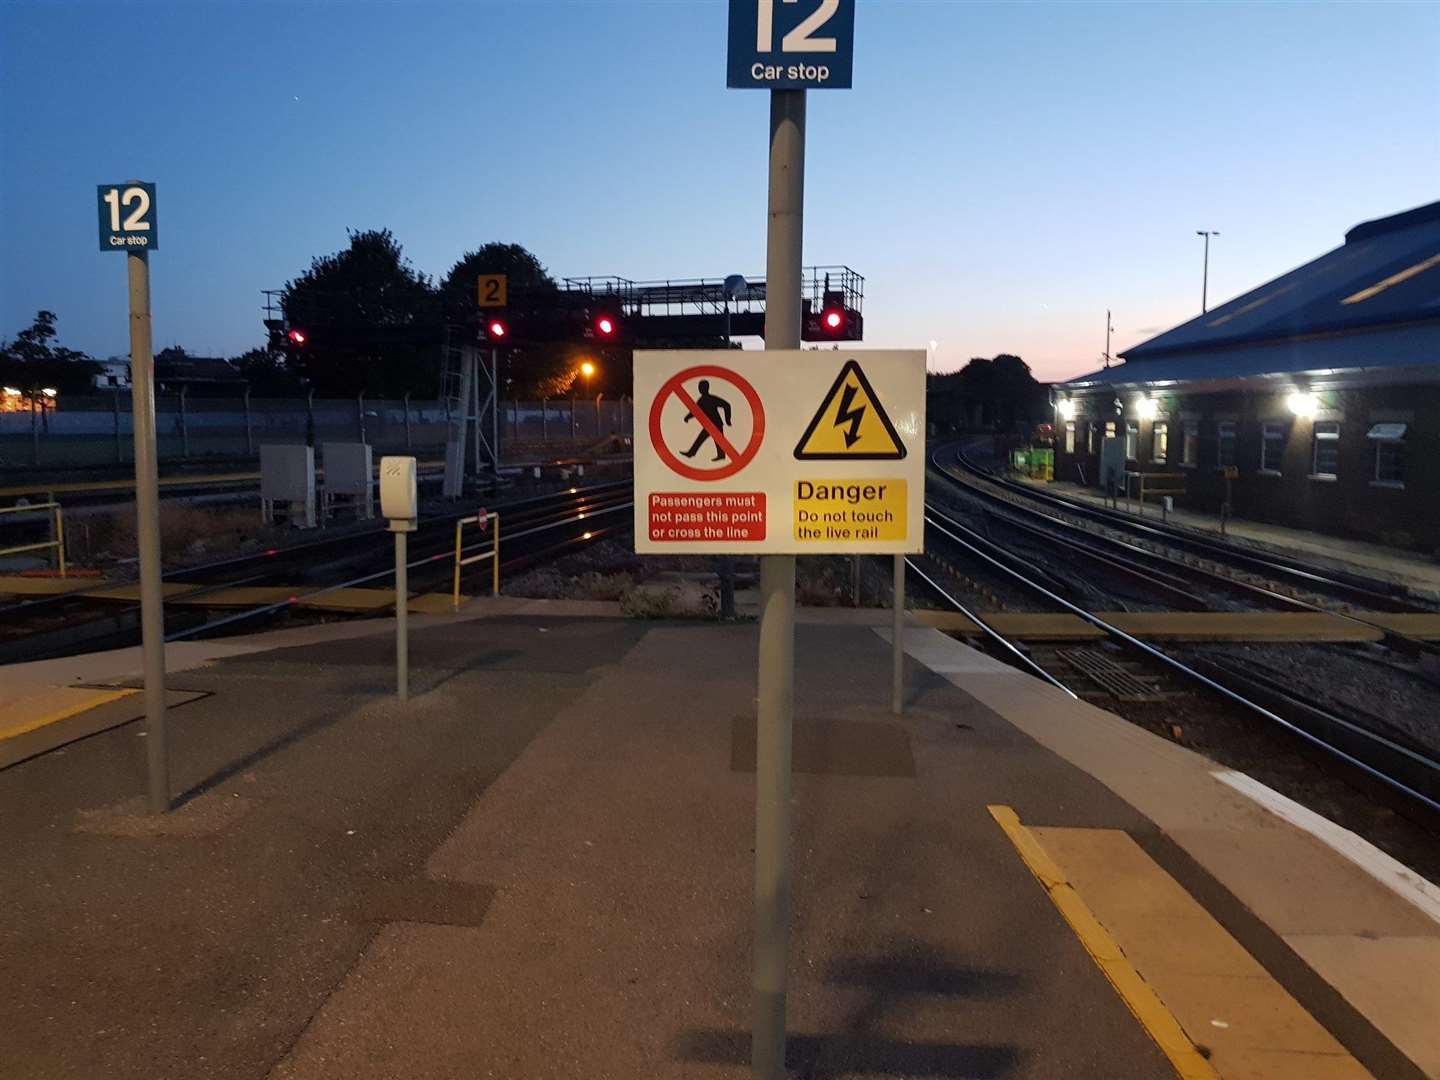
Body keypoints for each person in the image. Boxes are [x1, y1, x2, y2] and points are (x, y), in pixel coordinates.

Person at [680, 379, 733, 461]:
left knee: (713, 440)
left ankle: (691, 453)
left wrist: (728, 420)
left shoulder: (710, 399)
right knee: (714, 440)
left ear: (706, 388)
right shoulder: (701, 400)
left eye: (701, 387)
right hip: (709, 424)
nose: (700, 389)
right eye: (699, 387)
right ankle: (692, 453)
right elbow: (695, 411)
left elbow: (726, 405)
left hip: (715, 424)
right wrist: (687, 417)